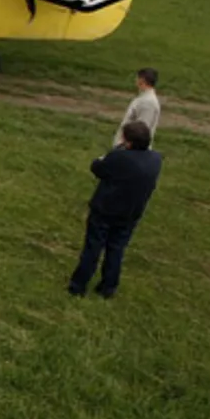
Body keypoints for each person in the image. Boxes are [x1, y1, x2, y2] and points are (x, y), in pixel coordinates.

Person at [68, 121, 162, 298]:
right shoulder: (155, 159)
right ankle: (108, 287)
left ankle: (78, 285)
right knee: (116, 248)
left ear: (129, 142)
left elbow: (97, 168)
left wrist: (111, 155)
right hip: (131, 212)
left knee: (93, 247)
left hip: (106, 210)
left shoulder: (119, 158)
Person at [113, 67, 160, 148]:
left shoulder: (148, 102)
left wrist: (124, 146)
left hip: (133, 150)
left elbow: (140, 131)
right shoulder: (143, 99)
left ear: (142, 80)